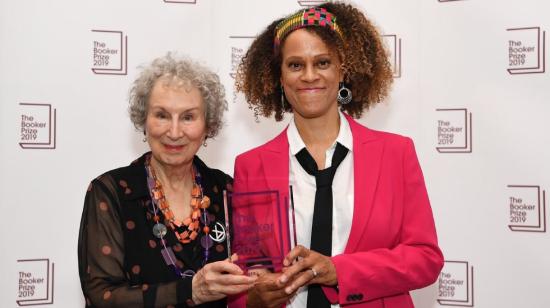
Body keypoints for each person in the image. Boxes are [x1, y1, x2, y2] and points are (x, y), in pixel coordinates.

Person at [231, 2, 443, 308]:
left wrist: (338, 271)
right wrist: (252, 298)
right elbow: (244, 272)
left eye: (322, 63)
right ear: (278, 77)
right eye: (295, 65)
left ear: (342, 69)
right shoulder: (251, 166)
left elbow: (426, 258)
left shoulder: (395, 153)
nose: (309, 76)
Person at [78, 53, 256, 308]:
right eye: (162, 115)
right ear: (144, 120)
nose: (174, 132)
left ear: (208, 125)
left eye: (188, 117)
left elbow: (252, 276)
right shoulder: (111, 192)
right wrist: (190, 291)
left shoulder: (227, 190)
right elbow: (101, 296)